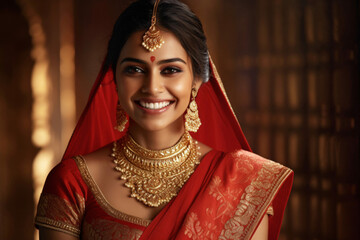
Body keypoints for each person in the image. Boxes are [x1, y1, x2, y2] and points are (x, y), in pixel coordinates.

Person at [35, 0, 293, 239]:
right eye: (134, 69)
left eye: (170, 70)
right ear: (114, 78)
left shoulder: (243, 186)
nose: (153, 87)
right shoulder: (71, 182)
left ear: (196, 80)